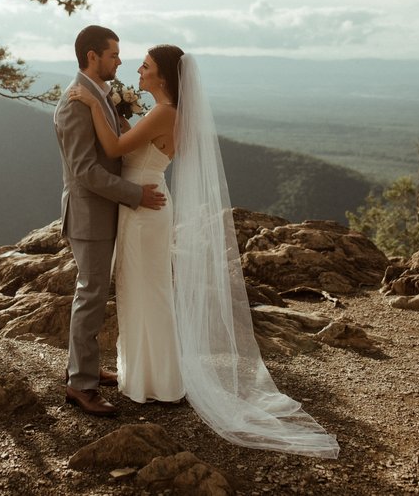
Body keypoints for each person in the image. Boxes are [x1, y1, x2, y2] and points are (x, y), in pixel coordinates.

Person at [68, 46, 341, 458]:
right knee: (144, 290)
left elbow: (113, 148)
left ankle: (159, 381)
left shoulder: (164, 113)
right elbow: (136, 142)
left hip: (144, 208)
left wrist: (93, 102)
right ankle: (145, 374)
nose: (138, 70)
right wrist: (118, 111)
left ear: (162, 77)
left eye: (145, 66)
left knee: (149, 292)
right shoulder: (166, 111)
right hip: (145, 203)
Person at [53, 25, 166, 418]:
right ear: (92, 57)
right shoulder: (73, 105)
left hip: (107, 213)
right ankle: (79, 386)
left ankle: (82, 368)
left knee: (97, 295)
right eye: (114, 55)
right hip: (89, 216)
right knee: (91, 295)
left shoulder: (102, 95)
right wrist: (135, 194)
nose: (120, 61)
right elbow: (85, 171)